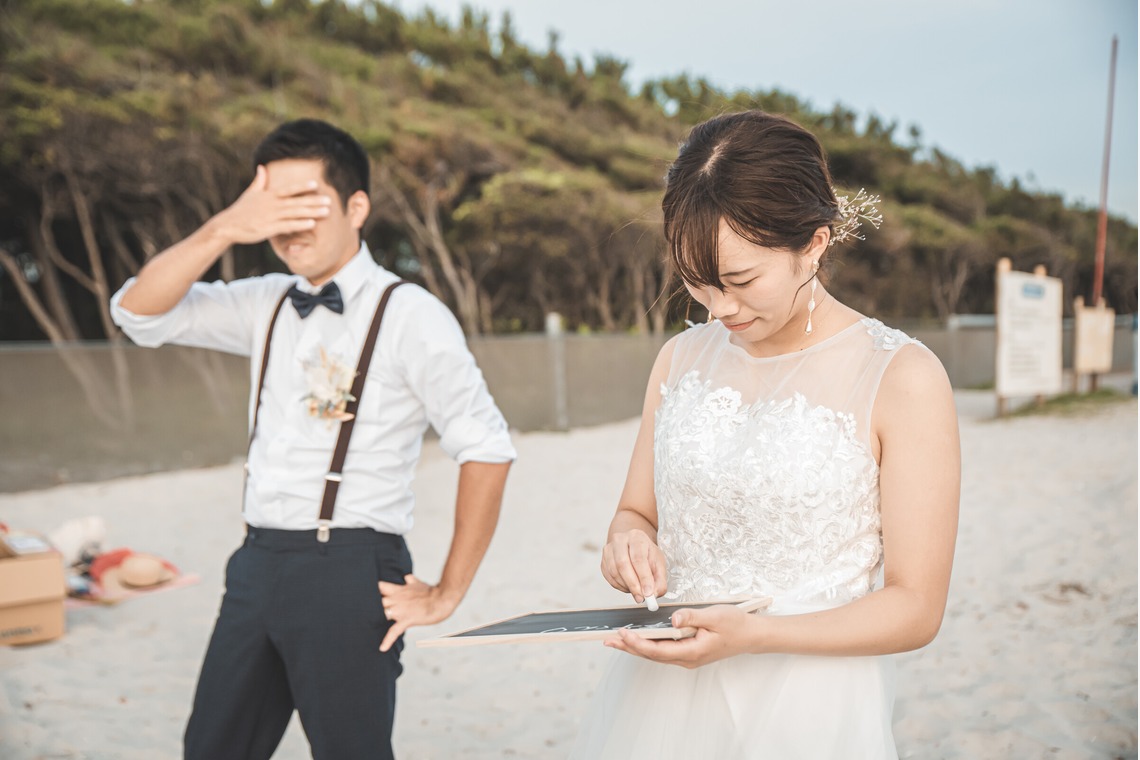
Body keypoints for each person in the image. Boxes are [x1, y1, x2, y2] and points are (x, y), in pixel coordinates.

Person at [109, 119, 515, 760]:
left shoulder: (411, 315)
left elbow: (486, 446)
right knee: (211, 747)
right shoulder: (264, 301)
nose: (289, 222)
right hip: (256, 562)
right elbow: (136, 313)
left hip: (350, 569)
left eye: (307, 202)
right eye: (274, 204)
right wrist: (224, 228)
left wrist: (448, 590)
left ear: (356, 207)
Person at [571, 110, 960, 759]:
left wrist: (757, 637)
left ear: (815, 243)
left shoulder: (901, 376)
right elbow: (635, 511)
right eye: (696, 281)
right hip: (662, 696)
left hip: (810, 701)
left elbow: (917, 608)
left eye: (742, 280)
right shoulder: (679, 358)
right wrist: (626, 544)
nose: (718, 308)